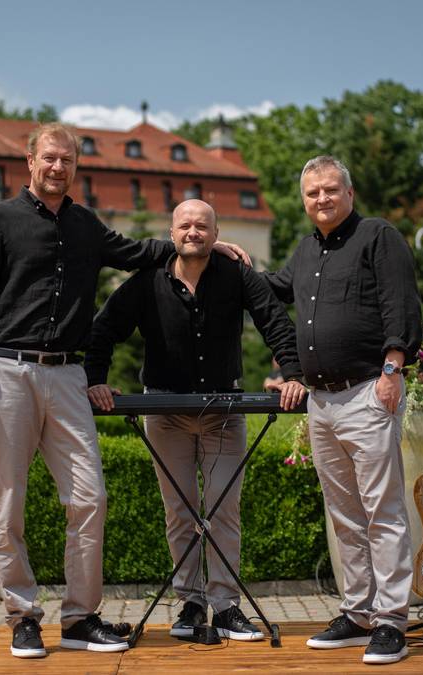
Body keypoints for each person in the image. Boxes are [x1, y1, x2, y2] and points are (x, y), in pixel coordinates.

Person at [0, 124, 249, 659]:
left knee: (90, 498)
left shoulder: (86, 224)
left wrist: (199, 241)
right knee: (8, 503)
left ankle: (80, 618)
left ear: (74, 167)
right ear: (30, 161)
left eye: (67, 160)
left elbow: (137, 251)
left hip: (68, 375)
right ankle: (22, 616)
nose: (57, 167)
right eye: (49, 158)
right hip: (8, 371)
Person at [86, 199, 306, 642]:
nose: (193, 232)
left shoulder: (237, 276)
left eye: (202, 226)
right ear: (172, 233)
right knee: (180, 513)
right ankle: (189, 604)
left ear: (215, 232)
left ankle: (226, 607)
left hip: (225, 415)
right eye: (185, 225)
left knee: (224, 512)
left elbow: (274, 321)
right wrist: (96, 381)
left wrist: (292, 375)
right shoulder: (147, 282)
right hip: (164, 414)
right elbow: (103, 329)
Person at [265, 156, 422, 665]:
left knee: (383, 510)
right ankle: (357, 613)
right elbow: (275, 289)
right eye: (312, 194)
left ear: (349, 193)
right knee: (345, 515)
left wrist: (393, 367)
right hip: (321, 400)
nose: (322, 200)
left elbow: (401, 302)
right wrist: (227, 261)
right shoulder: (306, 249)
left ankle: (392, 620)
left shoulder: (378, 236)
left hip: (366, 393)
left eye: (330, 191)